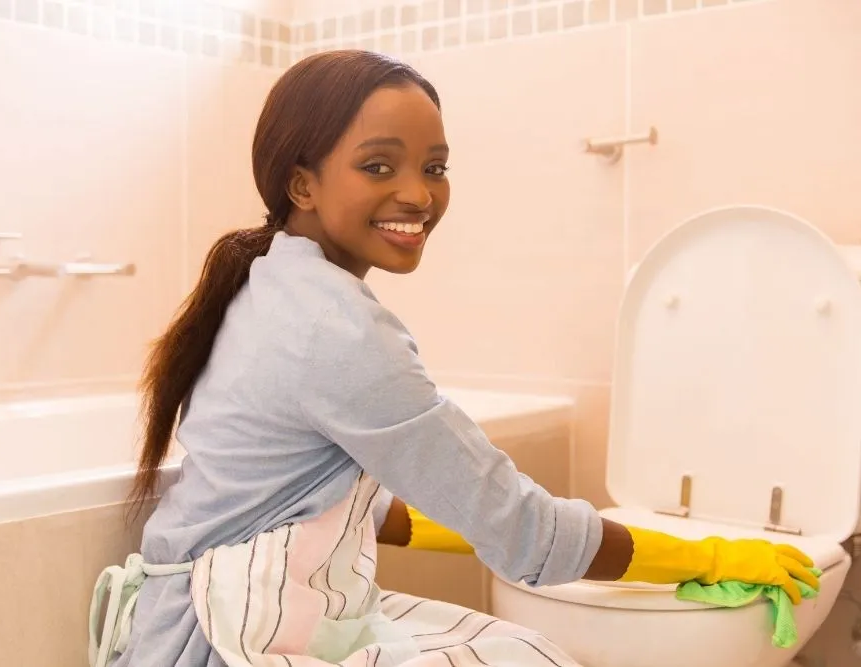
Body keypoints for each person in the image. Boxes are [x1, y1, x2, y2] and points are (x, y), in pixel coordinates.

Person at [88, 50, 819, 667]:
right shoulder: (334, 330)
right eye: (379, 166)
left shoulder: (276, 288)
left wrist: (472, 515)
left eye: (434, 166)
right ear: (301, 183)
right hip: (221, 638)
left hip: (214, 613)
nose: (418, 194)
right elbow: (522, 532)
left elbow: (355, 506)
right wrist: (713, 556)